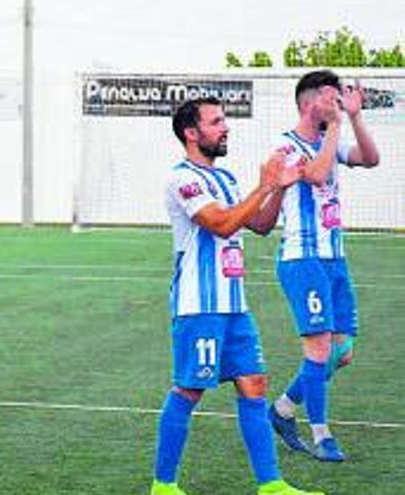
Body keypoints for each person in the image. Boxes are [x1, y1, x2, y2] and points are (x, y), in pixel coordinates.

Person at [149, 97, 322, 495]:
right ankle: (164, 485)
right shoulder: (182, 180)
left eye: (224, 120)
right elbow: (223, 224)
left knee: (254, 384)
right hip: (200, 306)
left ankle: (271, 485)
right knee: (189, 389)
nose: (225, 127)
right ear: (191, 133)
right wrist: (264, 183)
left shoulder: (225, 179)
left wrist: (278, 188)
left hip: (234, 305)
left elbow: (259, 224)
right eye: (215, 122)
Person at [267, 70, 380, 462]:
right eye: (330, 99)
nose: (336, 104)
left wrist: (354, 117)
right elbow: (314, 174)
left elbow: (370, 158)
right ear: (307, 103)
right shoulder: (287, 145)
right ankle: (321, 435)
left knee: (342, 350)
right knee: (318, 349)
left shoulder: (332, 139)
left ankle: (282, 409)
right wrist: (334, 126)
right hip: (303, 258)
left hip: (334, 257)